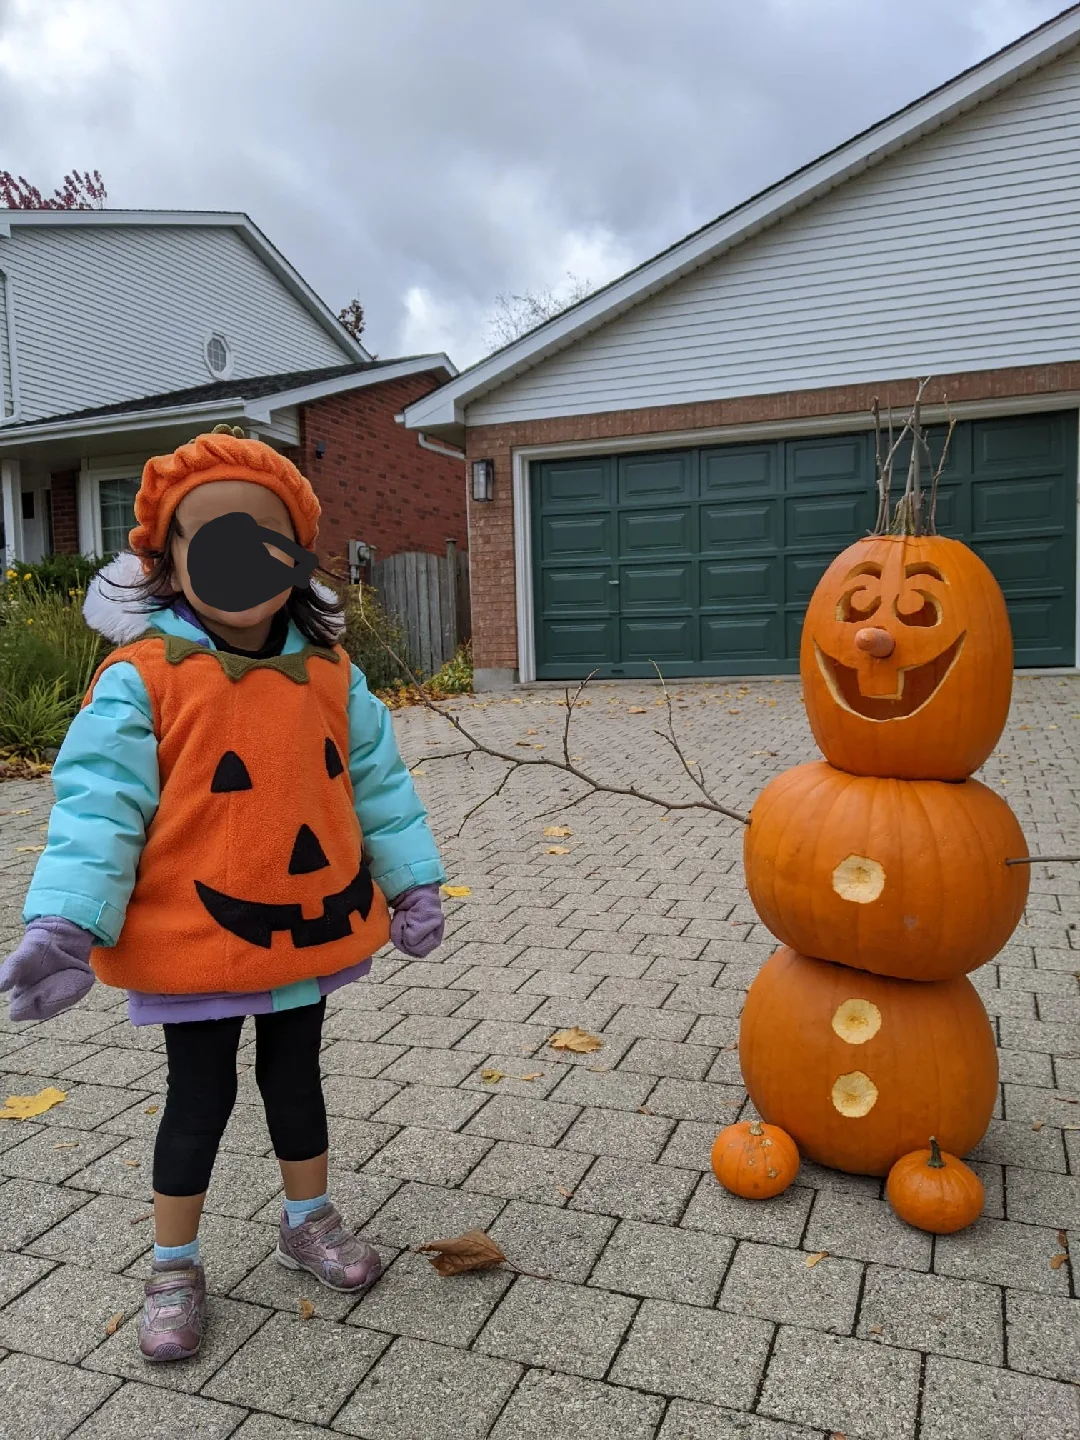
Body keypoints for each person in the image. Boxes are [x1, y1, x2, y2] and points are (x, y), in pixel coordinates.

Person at [0, 427, 446, 1362]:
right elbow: (100, 809)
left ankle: (307, 1218)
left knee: (299, 1079)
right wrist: (66, 921)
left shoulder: (332, 676)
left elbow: (377, 783)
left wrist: (411, 882)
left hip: (305, 932)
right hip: (198, 935)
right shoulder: (144, 681)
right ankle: (174, 1262)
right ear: (166, 561)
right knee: (196, 1099)